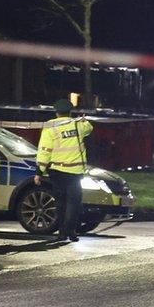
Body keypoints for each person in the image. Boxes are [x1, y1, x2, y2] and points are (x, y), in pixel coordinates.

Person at [34, 99, 93, 242]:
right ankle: (71, 231)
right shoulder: (77, 124)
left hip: (57, 171)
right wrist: (83, 119)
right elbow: (89, 128)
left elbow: (45, 150)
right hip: (76, 171)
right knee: (73, 203)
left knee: (60, 202)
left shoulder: (50, 126)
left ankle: (62, 232)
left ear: (56, 112)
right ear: (70, 111)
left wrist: (39, 171)